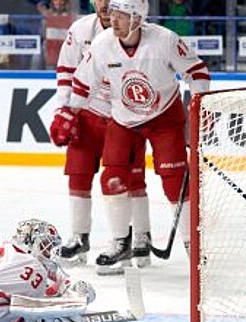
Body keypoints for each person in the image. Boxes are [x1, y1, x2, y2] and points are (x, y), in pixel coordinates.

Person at [52, 0, 210, 274]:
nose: (114, 20)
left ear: (137, 18)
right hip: (123, 118)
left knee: (175, 182)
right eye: (113, 14)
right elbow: (82, 82)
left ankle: (192, 244)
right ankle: (120, 242)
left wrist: (196, 109)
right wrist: (68, 112)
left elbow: (197, 72)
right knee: (111, 176)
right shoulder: (101, 44)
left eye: (121, 15)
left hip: (163, 117)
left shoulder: (165, 40)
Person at [50, 0, 152, 273]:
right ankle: (79, 238)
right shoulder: (80, 30)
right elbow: (66, 73)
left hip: (126, 116)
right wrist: (65, 111)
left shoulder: (144, 33)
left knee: (130, 179)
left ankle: (140, 237)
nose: (105, 4)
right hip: (88, 113)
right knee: (78, 174)